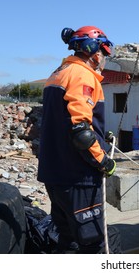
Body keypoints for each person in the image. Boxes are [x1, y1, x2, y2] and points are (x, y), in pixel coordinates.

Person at [37, 26, 117, 253]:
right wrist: (103, 160)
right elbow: (81, 132)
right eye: (103, 52)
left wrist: (101, 136)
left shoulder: (58, 73)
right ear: (93, 51)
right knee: (92, 243)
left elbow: (64, 121)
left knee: (69, 240)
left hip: (55, 174)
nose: (103, 58)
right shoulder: (83, 76)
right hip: (78, 178)